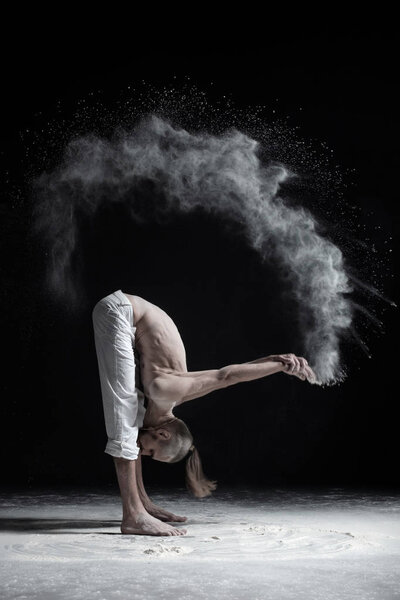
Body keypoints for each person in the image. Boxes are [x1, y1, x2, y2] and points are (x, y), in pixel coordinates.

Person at [92, 289, 316, 536]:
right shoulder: (164, 390)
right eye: (152, 451)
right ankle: (134, 516)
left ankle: (141, 503)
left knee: (129, 421)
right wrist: (280, 365)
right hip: (120, 311)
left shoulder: (168, 397)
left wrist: (269, 358)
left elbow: (223, 372)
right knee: (122, 420)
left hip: (125, 311)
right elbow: (225, 376)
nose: (143, 453)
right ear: (163, 434)